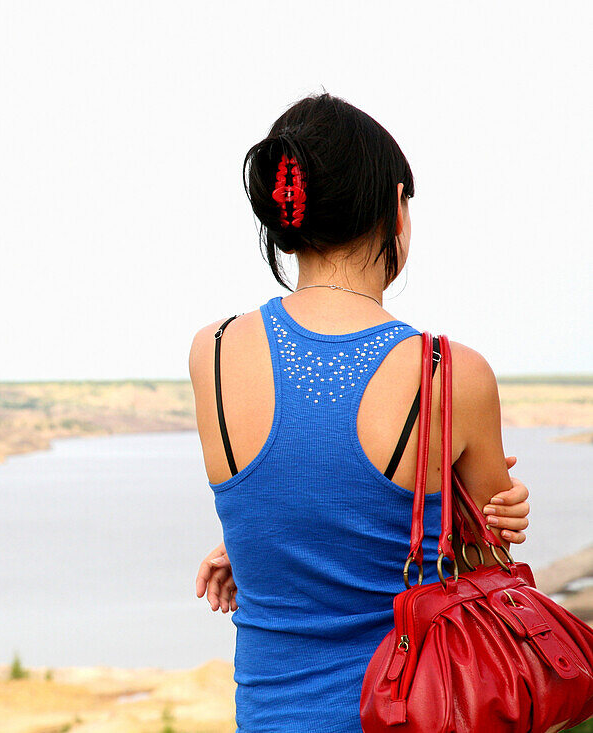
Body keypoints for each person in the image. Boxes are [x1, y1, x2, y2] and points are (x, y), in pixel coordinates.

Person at [186, 92, 532, 732]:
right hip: (409, 715)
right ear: (395, 208)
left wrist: (262, 547)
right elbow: (488, 584)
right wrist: (488, 518)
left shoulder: (211, 350)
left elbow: (294, 486)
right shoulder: (452, 373)